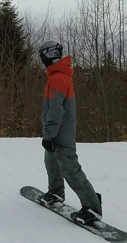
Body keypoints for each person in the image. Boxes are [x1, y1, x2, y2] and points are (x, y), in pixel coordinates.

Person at [37, 40, 103, 225]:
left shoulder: (58, 78)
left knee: (71, 170)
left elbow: (56, 111)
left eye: (42, 55)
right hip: (55, 133)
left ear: (48, 55)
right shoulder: (58, 76)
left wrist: (49, 135)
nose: (41, 59)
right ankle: (56, 193)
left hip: (61, 135)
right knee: (52, 163)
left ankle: (92, 208)